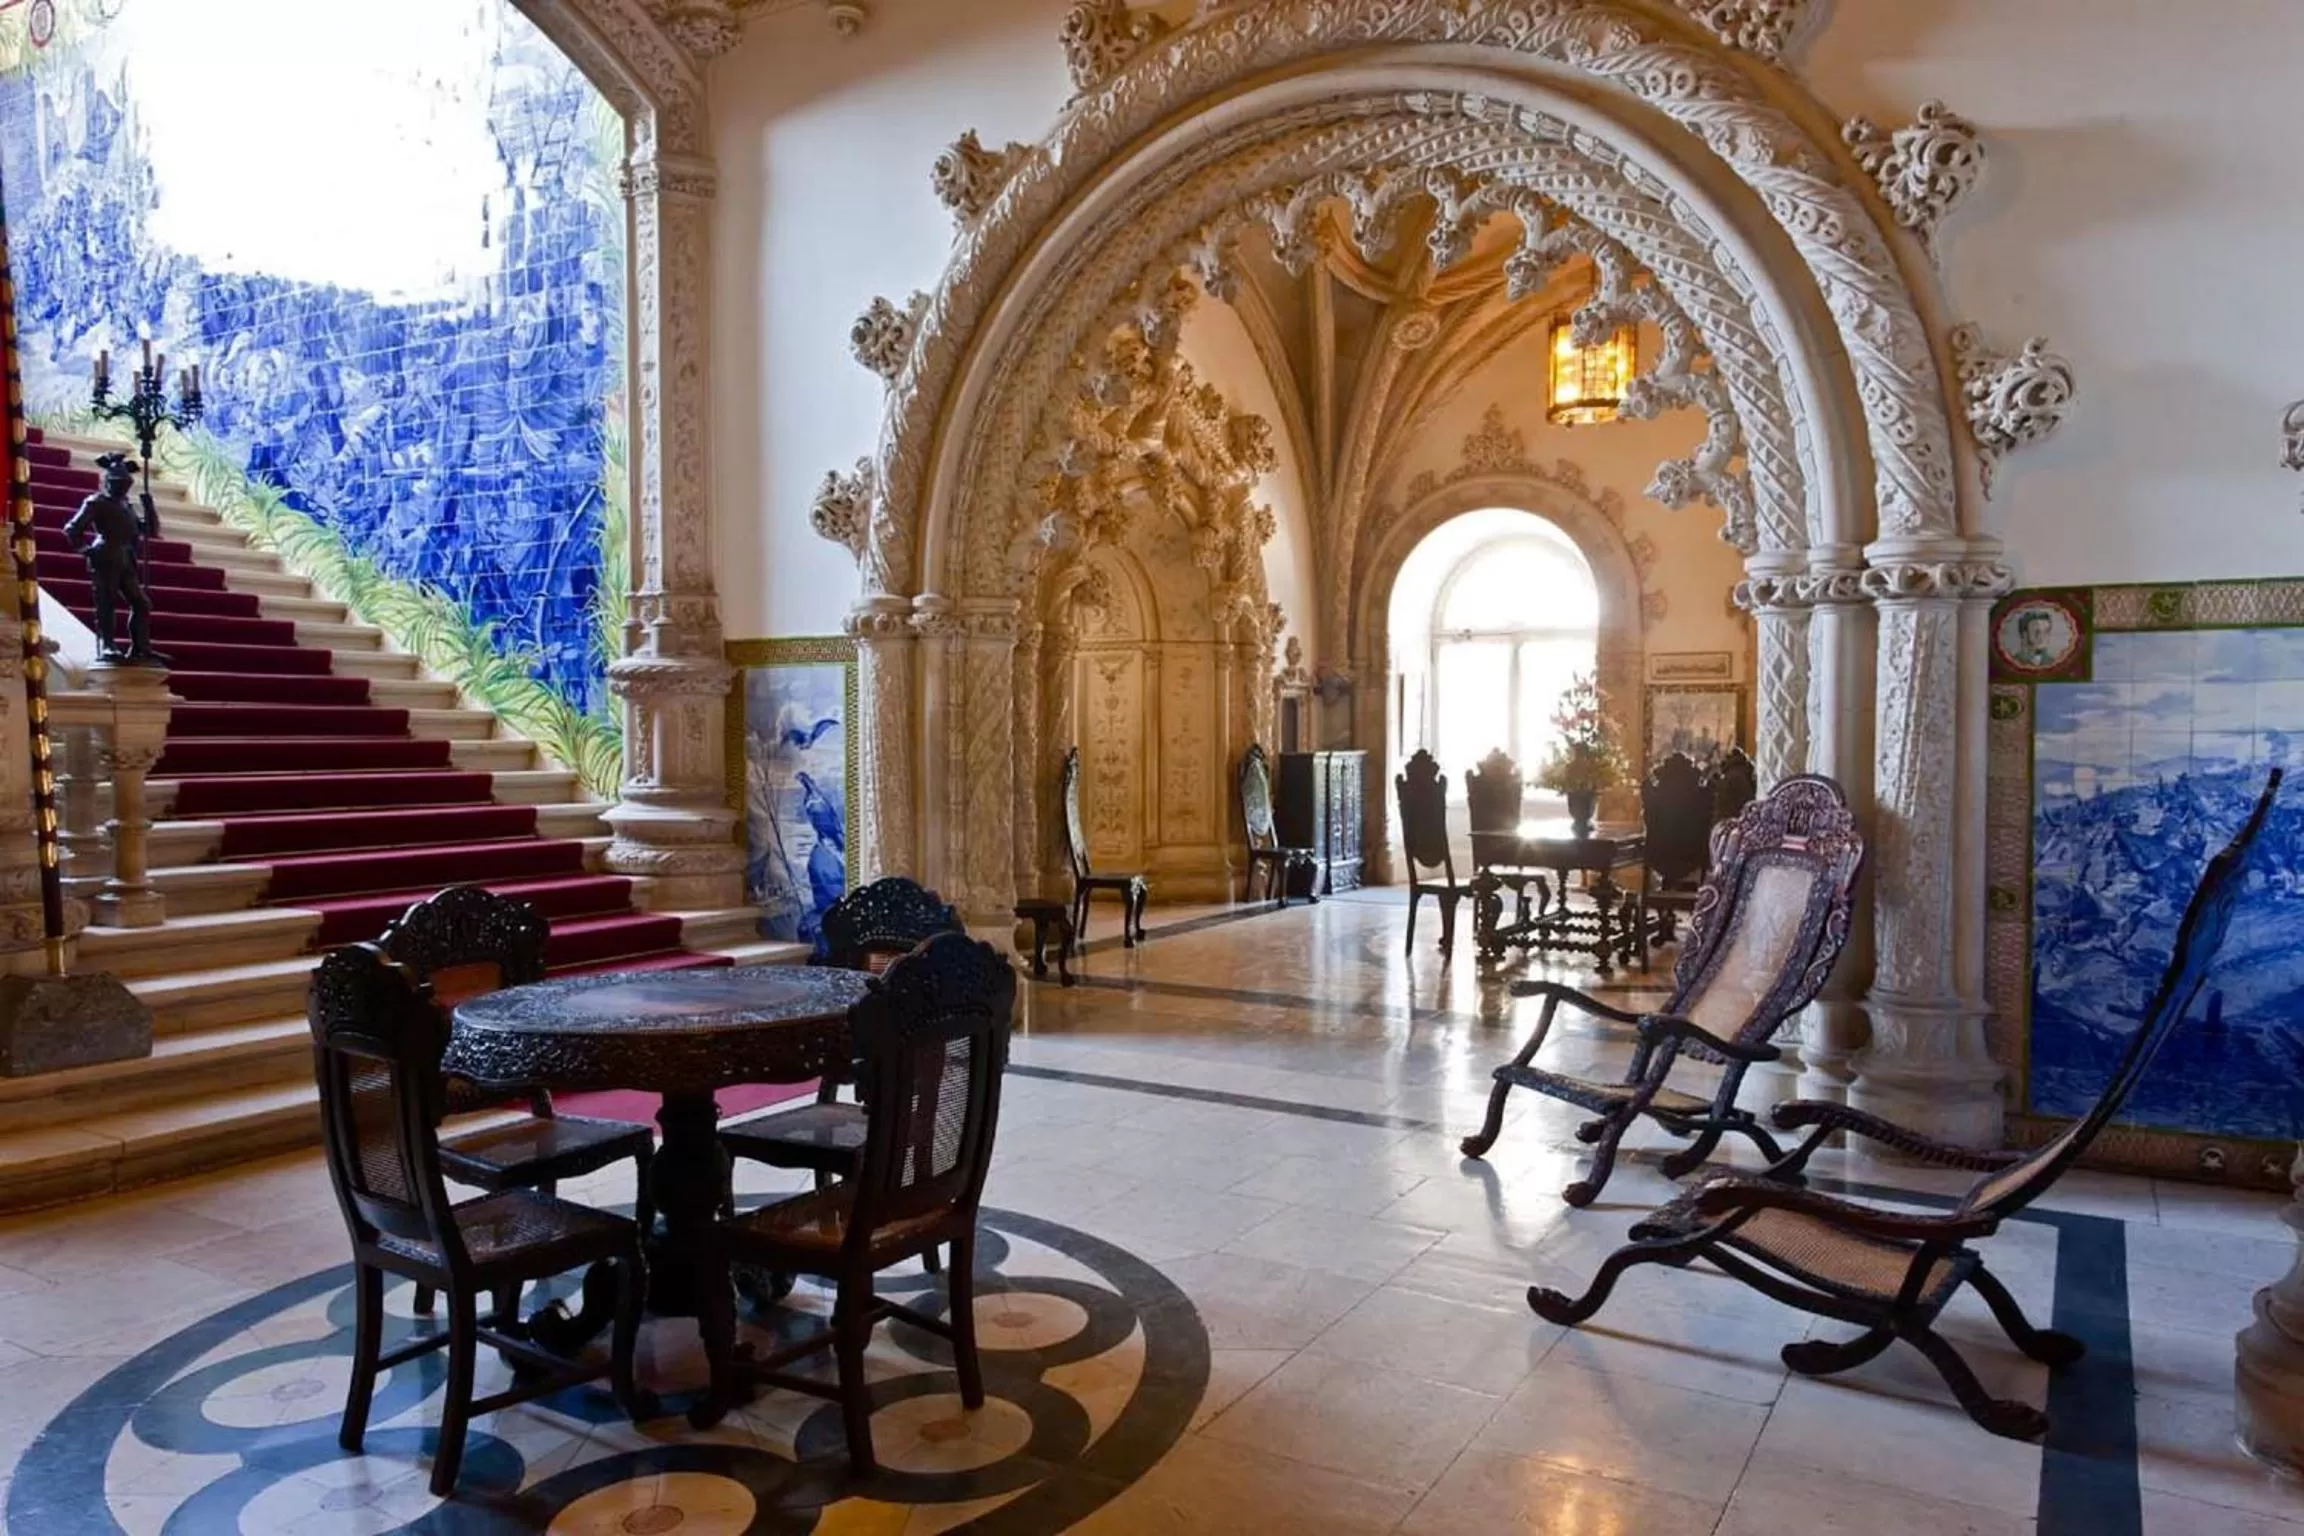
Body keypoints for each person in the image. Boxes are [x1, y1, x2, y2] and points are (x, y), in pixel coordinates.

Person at [61, 452, 165, 664]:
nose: (123, 487)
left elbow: (149, 530)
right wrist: (86, 550)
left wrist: (149, 507)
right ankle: (108, 645)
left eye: (126, 484)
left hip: (126, 557)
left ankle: (140, 647)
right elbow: (72, 529)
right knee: (106, 603)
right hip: (106, 555)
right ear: (109, 482)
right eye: (119, 483)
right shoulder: (96, 502)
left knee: (141, 603)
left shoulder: (126, 505)